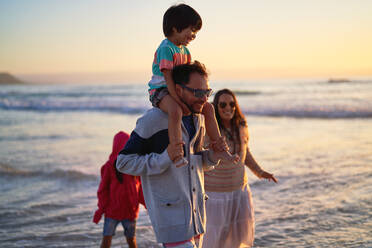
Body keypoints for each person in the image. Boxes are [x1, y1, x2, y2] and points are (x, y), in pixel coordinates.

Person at [117, 61, 228, 248]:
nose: (204, 99)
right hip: (171, 219)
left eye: (207, 93)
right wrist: (165, 157)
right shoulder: (152, 120)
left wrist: (214, 155)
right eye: (198, 92)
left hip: (198, 217)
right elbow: (123, 162)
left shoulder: (198, 119)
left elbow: (199, 163)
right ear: (178, 89)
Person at [148, 4, 238, 167]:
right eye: (192, 30)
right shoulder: (165, 48)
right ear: (175, 28)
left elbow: (188, 77)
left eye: (196, 32)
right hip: (161, 90)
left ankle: (220, 147)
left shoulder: (185, 51)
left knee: (209, 108)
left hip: (178, 90)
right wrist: (179, 102)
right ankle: (176, 152)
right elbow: (168, 79)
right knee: (175, 111)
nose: (194, 36)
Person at [202, 89, 278, 248]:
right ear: (216, 107)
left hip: (240, 192)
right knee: (213, 239)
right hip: (215, 195)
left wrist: (260, 172)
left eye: (232, 104)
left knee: (237, 239)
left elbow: (245, 152)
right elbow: (201, 154)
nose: (228, 108)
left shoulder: (241, 126)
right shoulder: (209, 129)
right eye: (223, 104)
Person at [93, 131, 145, 248]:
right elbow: (103, 190)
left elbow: (140, 187)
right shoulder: (109, 166)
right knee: (106, 240)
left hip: (130, 211)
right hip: (112, 211)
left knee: (131, 241)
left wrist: (148, 204)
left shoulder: (133, 164)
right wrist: (101, 209)